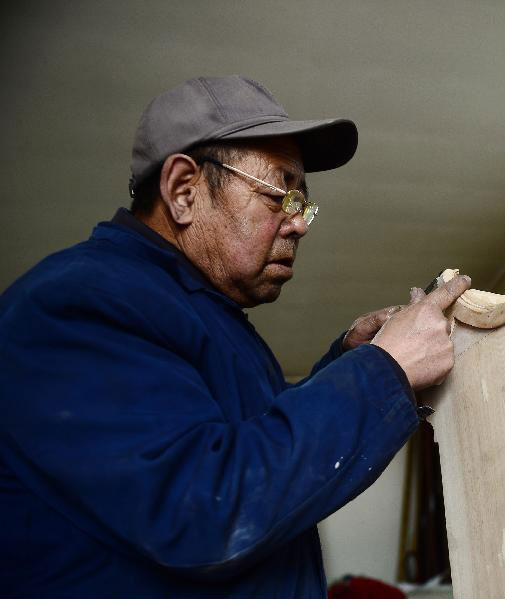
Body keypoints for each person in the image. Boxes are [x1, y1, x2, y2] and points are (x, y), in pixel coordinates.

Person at [0, 76, 471, 598]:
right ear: (184, 191)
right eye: (279, 196)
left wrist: (344, 364)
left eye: (303, 203)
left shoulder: (205, 314)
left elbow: (239, 445)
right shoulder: (79, 303)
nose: (299, 224)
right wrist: (385, 369)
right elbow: (204, 510)